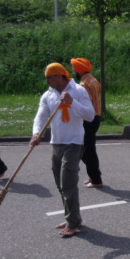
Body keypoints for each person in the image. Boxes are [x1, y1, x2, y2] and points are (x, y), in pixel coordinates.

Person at [30, 63, 95, 237]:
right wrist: (36, 133)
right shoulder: (48, 95)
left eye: (50, 77)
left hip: (74, 143)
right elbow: (41, 116)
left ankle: (72, 223)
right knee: (61, 184)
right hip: (56, 142)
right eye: (46, 78)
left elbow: (90, 115)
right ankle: (72, 217)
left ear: (60, 76)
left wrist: (72, 102)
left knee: (68, 181)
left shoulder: (79, 91)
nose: (47, 81)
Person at [71, 58, 104, 188]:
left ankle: (96, 179)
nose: (73, 71)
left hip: (88, 120)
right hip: (97, 117)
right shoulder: (93, 80)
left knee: (86, 150)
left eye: (74, 69)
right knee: (89, 148)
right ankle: (93, 175)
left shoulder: (84, 85)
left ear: (79, 70)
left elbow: (86, 105)